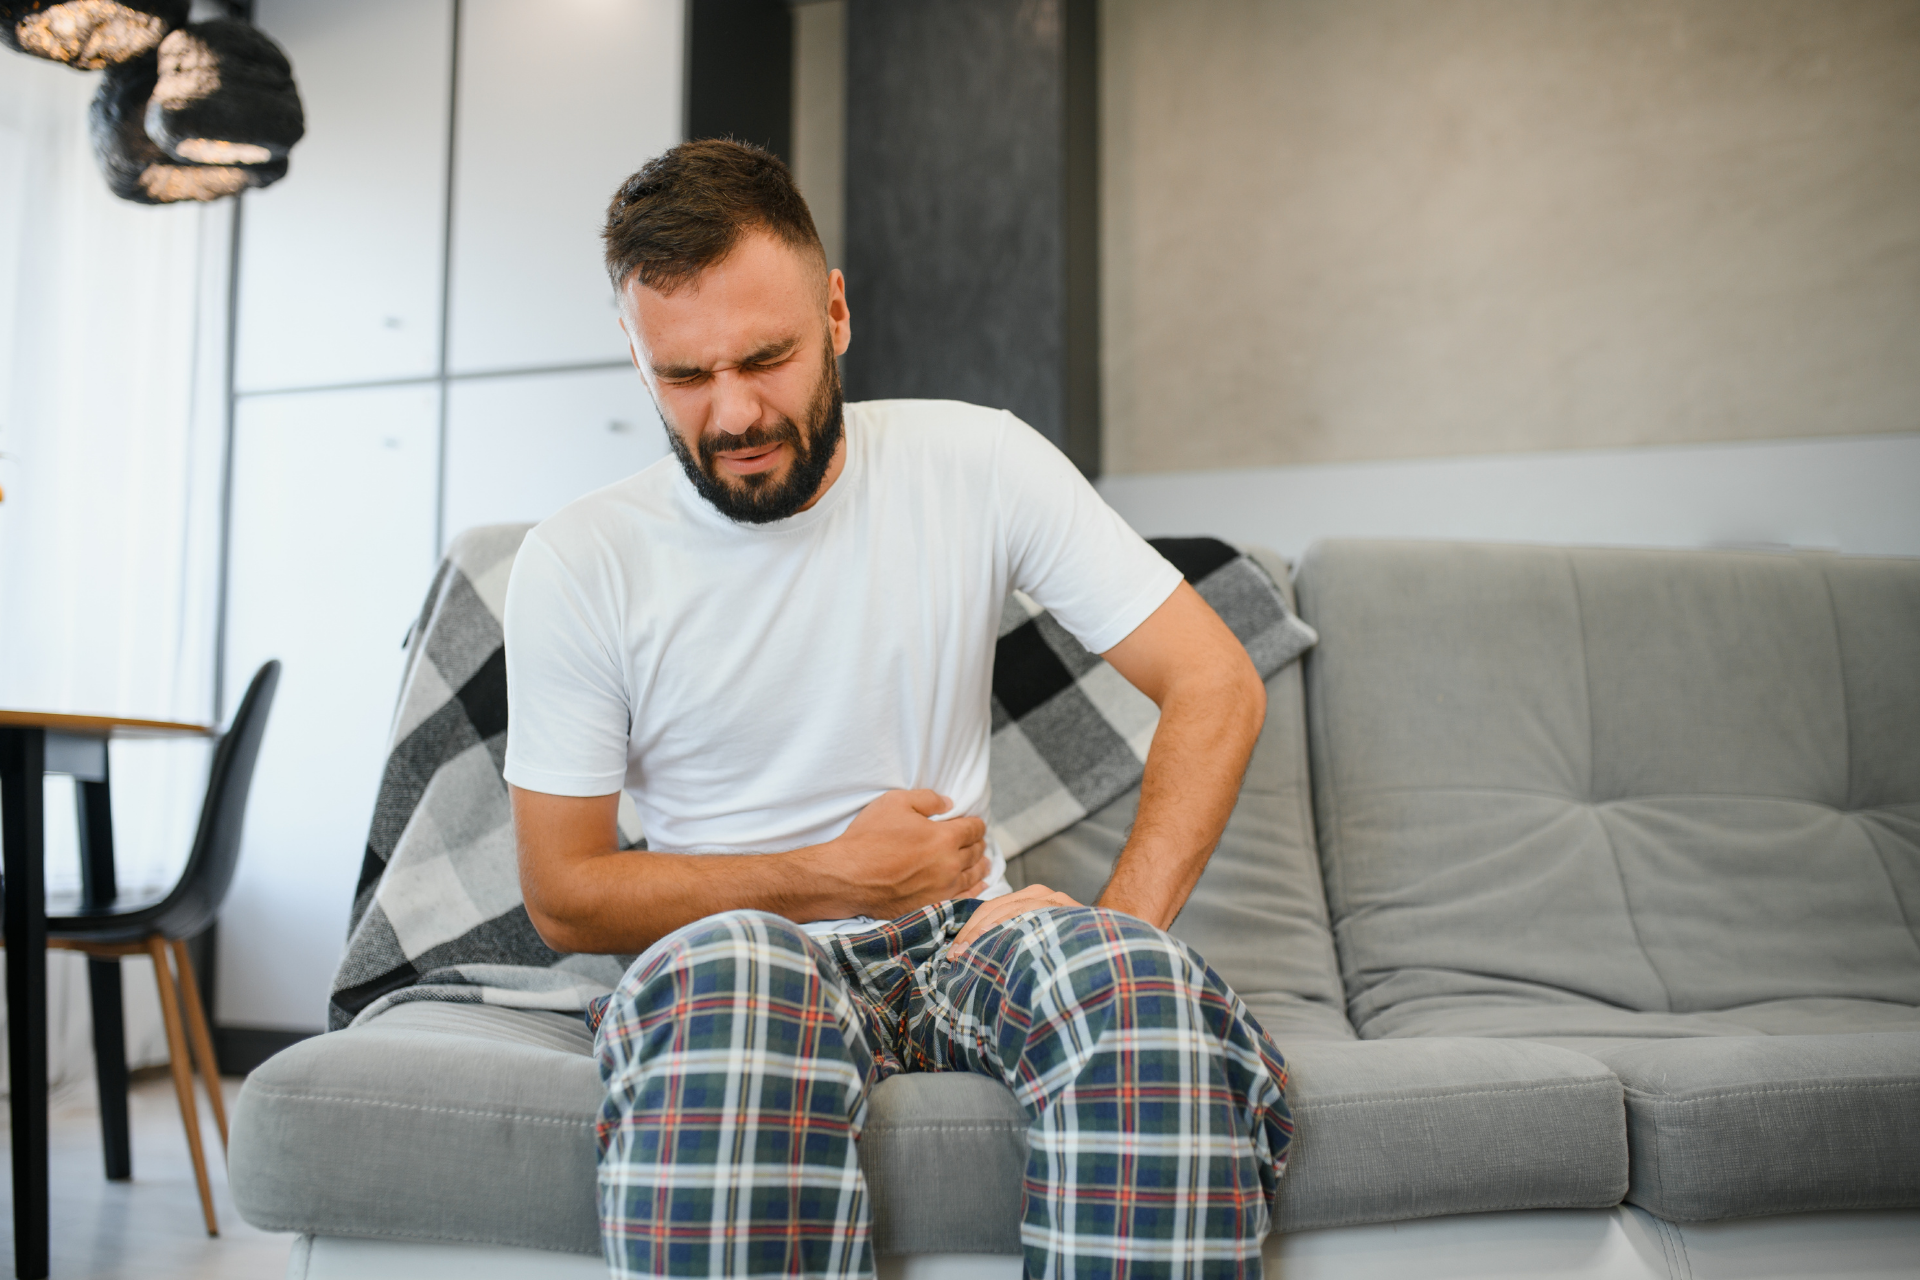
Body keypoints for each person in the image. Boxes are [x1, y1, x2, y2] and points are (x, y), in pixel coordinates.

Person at [502, 139, 1291, 1280]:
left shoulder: (978, 458)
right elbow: (566, 895)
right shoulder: (578, 562)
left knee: (1130, 980)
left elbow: (1215, 681)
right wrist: (834, 875)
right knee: (734, 982)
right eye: (683, 376)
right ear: (634, 353)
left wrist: (1125, 917)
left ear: (835, 313)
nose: (732, 413)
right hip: (747, 949)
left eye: (765, 357)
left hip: (966, 931)